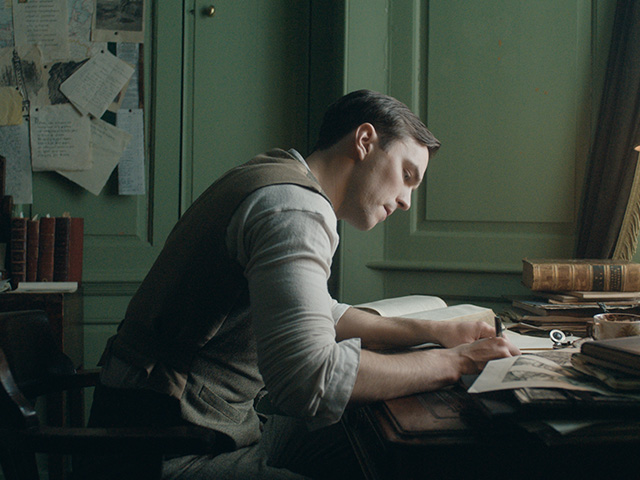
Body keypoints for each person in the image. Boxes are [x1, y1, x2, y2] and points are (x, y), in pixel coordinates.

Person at [83, 89, 520, 479]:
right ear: (365, 141)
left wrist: (434, 331)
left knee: (371, 444)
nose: (407, 201)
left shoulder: (275, 176)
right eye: (407, 174)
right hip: (169, 452)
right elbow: (311, 380)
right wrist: (456, 363)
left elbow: (317, 312)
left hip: (200, 427)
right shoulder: (295, 209)